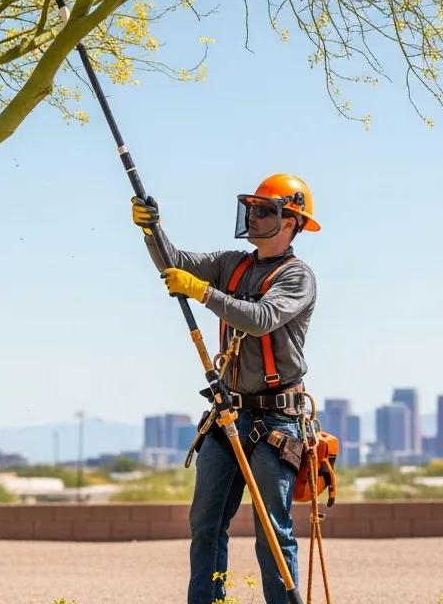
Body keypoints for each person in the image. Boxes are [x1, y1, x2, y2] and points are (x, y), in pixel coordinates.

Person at [131, 173, 320, 604]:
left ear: (291, 221)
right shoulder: (231, 262)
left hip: (277, 421)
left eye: (265, 211)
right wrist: (151, 228)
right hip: (227, 415)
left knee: (273, 532)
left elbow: (259, 318)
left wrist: (202, 292)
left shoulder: (298, 278)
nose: (254, 217)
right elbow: (172, 260)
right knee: (205, 525)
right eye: (252, 209)